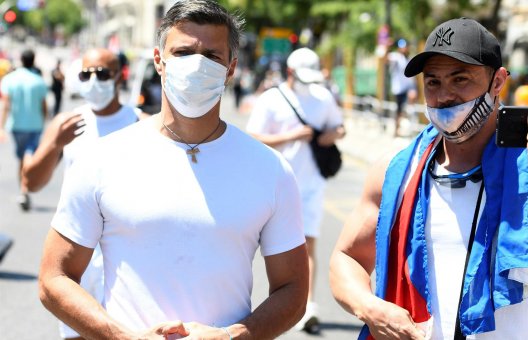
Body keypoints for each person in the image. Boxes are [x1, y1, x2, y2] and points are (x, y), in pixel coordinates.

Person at [329, 17, 528, 339]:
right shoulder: (397, 170)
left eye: (460, 79)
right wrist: (370, 308)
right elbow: (346, 258)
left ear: (498, 82)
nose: (444, 96)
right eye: (433, 82)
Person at [38, 1, 308, 339]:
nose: (196, 66)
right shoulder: (103, 159)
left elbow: (293, 289)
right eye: (182, 53)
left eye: (212, 56)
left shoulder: (271, 169)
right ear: (159, 61)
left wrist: (233, 336)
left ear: (231, 69)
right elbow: (54, 277)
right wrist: (124, 337)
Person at [23, 48, 143, 340]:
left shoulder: (140, 122)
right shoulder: (68, 122)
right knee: (76, 332)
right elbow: (32, 181)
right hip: (76, 249)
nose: (93, 81)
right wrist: (55, 145)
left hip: (125, 252)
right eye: (85, 74)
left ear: (118, 77)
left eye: (101, 73)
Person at [246, 46, 346, 334]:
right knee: (262, 245)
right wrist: (290, 136)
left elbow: (339, 128)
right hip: (273, 182)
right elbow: (253, 136)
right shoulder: (271, 99)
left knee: (308, 243)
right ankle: (261, 305)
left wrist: (330, 136)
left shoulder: (323, 97)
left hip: (312, 182)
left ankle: (307, 306)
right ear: (289, 73)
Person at [0, 49, 48, 211]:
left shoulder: (10, 79)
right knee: (29, 153)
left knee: (22, 157)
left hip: (16, 126)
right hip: (35, 125)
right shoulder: (38, 81)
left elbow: (6, 105)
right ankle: (24, 189)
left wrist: (1, 126)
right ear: (34, 61)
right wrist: (46, 122)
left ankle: (23, 189)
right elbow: (44, 106)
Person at [388, 38, 418, 137]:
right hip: (398, 89)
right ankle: (396, 130)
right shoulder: (395, 57)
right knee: (399, 110)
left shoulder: (409, 58)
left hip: (408, 87)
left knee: (411, 103)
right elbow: (385, 59)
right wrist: (387, 46)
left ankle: (411, 126)